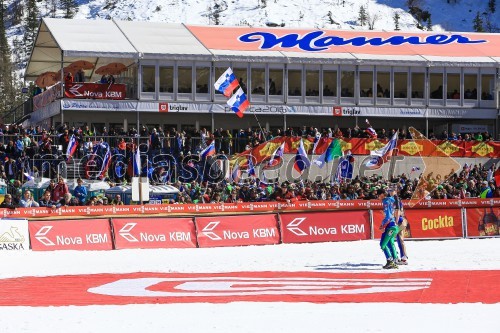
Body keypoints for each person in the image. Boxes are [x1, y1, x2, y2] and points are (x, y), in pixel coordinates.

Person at [378, 188, 400, 269]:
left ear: (382, 194)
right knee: (391, 243)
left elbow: (388, 216)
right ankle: (395, 259)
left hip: (390, 226)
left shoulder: (386, 201)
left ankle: (390, 261)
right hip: (394, 225)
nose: (378, 197)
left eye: (378, 195)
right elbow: (396, 209)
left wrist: (382, 225)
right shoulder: (392, 199)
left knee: (383, 244)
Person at [392, 189, 408, 265]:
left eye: (391, 191)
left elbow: (398, 211)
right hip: (401, 220)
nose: (390, 192)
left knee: (394, 239)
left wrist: (395, 221)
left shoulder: (395, 199)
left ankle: (398, 257)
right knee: (399, 240)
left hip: (399, 221)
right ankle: (403, 257)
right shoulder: (396, 199)